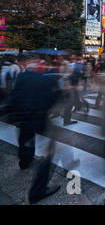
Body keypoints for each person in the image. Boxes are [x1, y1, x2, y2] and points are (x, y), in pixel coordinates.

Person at [4, 56, 62, 204]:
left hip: (23, 117)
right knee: (49, 151)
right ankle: (38, 190)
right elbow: (56, 96)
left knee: (25, 137)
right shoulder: (47, 79)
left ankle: (24, 161)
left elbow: (13, 96)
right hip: (39, 117)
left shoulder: (22, 77)